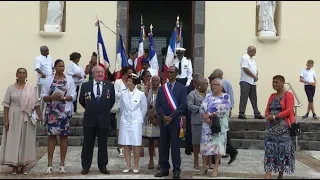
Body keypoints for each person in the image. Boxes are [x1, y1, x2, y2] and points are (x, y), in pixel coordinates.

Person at [0, 68, 42, 175]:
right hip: (13, 116)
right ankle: (14, 165)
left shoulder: (31, 88)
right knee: (13, 141)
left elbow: (36, 103)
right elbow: (6, 105)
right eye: (20, 73)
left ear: (26, 75)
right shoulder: (11, 88)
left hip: (27, 116)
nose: (22, 74)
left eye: (24, 73)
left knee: (26, 140)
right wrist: (6, 119)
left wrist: (40, 116)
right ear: (16, 74)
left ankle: (24, 165)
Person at [41, 59, 77, 174]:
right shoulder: (49, 79)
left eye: (63, 66)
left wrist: (64, 98)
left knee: (63, 137)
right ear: (55, 67)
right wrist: (51, 98)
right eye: (59, 66)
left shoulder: (69, 79)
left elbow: (73, 95)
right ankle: (50, 164)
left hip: (64, 112)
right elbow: (43, 95)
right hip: (52, 112)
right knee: (51, 137)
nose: (61, 68)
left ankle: (62, 164)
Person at [79, 66, 115, 175]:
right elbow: (82, 100)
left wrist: (102, 111)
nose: (100, 74)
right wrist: (92, 109)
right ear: (94, 74)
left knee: (103, 144)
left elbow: (111, 101)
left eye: (102, 72)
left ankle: (103, 166)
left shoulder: (110, 86)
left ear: (104, 74)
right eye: (98, 72)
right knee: (87, 144)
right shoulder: (86, 85)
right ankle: (85, 166)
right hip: (90, 119)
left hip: (104, 120)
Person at [154, 66, 187, 179]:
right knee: (163, 146)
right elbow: (157, 104)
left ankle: (176, 170)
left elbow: (183, 105)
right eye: (167, 72)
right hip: (164, 122)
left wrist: (171, 117)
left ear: (176, 74)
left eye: (171, 72)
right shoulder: (162, 88)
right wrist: (163, 117)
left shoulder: (182, 88)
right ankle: (164, 169)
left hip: (175, 121)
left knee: (175, 147)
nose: (169, 74)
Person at [198, 78, 231, 177]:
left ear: (221, 86)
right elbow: (202, 108)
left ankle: (215, 167)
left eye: (216, 84)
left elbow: (223, 109)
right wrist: (205, 116)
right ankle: (204, 166)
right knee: (205, 146)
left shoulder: (225, 96)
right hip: (206, 126)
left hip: (218, 126)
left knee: (218, 147)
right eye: (212, 84)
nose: (214, 86)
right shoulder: (208, 96)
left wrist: (210, 116)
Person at [264, 75, 295, 179]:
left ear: (283, 83)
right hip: (271, 130)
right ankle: (268, 174)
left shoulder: (288, 95)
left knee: (282, 152)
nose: (274, 84)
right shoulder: (272, 96)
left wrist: (275, 116)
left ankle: (280, 174)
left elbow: (289, 110)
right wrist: (267, 115)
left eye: (277, 82)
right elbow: (267, 109)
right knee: (269, 152)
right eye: (273, 82)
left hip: (284, 130)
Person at [119, 74, 147, 173]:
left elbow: (144, 109)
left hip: (136, 121)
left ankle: (136, 164)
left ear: (134, 83)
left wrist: (139, 119)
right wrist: (125, 117)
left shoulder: (140, 94)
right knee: (126, 143)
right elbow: (121, 107)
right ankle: (128, 164)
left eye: (130, 81)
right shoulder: (123, 94)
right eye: (127, 81)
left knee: (136, 143)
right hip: (125, 120)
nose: (128, 82)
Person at [208, 69, 238, 164]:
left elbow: (230, 97)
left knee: (222, 134)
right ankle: (219, 156)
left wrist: (230, 108)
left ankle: (229, 152)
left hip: (222, 113)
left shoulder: (225, 84)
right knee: (219, 134)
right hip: (217, 113)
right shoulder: (220, 84)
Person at [188, 77, 208, 169]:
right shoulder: (192, 94)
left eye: (207, 84)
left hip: (207, 121)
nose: (206, 86)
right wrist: (200, 108)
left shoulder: (209, 94)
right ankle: (196, 159)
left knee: (206, 142)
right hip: (197, 121)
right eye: (204, 84)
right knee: (196, 142)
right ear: (198, 85)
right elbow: (190, 106)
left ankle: (207, 161)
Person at [238, 46, 264, 119]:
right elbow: (245, 68)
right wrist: (254, 76)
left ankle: (256, 112)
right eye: (254, 51)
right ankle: (241, 113)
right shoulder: (245, 58)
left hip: (252, 81)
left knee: (254, 97)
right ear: (251, 51)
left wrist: (256, 76)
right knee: (244, 97)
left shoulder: (252, 59)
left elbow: (255, 69)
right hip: (245, 80)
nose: (255, 53)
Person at [114, 66, 134, 157]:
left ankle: (129, 147)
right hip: (121, 108)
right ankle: (120, 147)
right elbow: (115, 93)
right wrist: (125, 94)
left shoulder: (132, 82)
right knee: (120, 128)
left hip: (131, 109)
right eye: (129, 73)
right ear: (125, 73)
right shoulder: (118, 82)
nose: (130, 75)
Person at [143, 75, 161, 170]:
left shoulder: (162, 92)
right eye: (153, 81)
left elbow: (163, 105)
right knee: (150, 140)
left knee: (160, 141)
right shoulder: (148, 92)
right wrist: (150, 115)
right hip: (149, 119)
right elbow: (144, 105)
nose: (155, 83)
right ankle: (151, 160)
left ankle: (160, 161)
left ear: (159, 82)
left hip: (158, 119)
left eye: (157, 81)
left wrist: (156, 116)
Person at [184, 73, 202, 155]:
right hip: (189, 112)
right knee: (189, 131)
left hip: (199, 115)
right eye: (197, 83)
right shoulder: (187, 89)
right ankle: (188, 148)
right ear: (193, 82)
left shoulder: (202, 90)